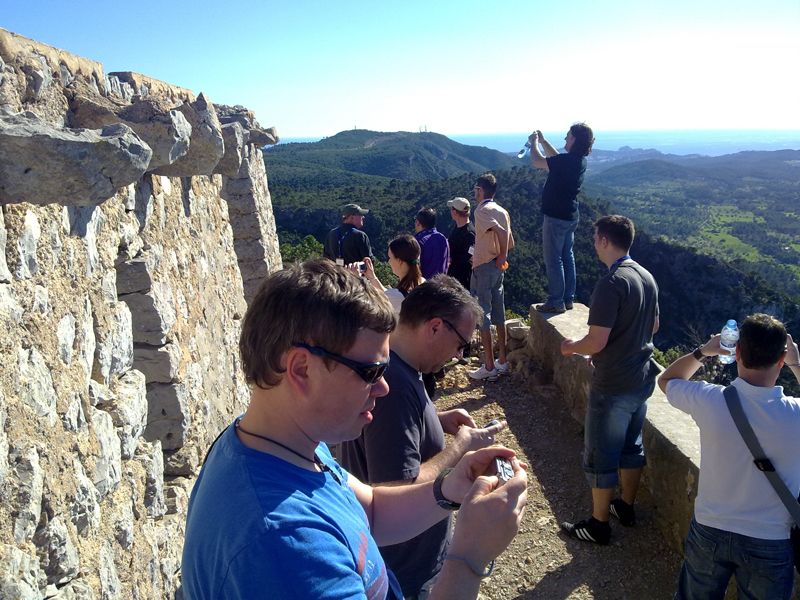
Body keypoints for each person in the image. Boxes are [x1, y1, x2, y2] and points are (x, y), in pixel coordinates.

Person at [181, 259, 528, 600]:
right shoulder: (285, 547)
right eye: (370, 372)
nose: (384, 388)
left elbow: (370, 510)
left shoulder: (285, 444)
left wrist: (450, 488)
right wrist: (469, 558)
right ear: (302, 369)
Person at [338, 276, 506, 598]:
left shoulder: (402, 368)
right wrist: (463, 445)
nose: (459, 355)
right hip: (407, 571)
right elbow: (395, 489)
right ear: (435, 327)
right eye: (461, 344)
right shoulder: (394, 387)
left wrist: (436, 420)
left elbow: (391, 432)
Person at [658, 314, 800, 600]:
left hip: (710, 527)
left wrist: (703, 351)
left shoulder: (710, 400)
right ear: (781, 360)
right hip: (770, 538)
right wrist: (796, 363)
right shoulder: (795, 415)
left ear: (737, 353)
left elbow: (667, 380)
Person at [559, 215, 659, 545]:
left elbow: (596, 341)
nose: (593, 244)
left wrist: (571, 347)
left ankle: (599, 525)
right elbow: (653, 326)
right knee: (631, 445)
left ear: (604, 240)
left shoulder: (612, 283)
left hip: (614, 382)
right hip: (641, 378)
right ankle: (625, 507)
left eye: (594, 238)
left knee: (600, 453)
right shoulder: (646, 276)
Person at [529, 123, 594, 314]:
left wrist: (534, 143)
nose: (565, 138)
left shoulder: (568, 161)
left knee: (553, 259)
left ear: (574, 139)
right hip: (570, 215)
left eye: (568, 135)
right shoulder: (577, 160)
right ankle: (567, 299)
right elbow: (556, 158)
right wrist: (544, 141)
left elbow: (537, 161)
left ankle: (556, 301)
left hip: (556, 217)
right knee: (567, 256)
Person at [468, 173, 514, 382]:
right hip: (497, 267)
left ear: (481, 190)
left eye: (476, 189)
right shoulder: (502, 210)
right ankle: (502, 360)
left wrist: (499, 255)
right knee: (499, 312)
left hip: (485, 266)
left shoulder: (482, 210)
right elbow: (508, 238)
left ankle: (488, 366)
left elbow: (502, 233)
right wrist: (502, 256)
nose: (474, 192)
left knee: (483, 313)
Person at [362, 234, 425, 313]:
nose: (389, 262)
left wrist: (355, 278)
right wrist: (372, 277)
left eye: (390, 257)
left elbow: (366, 307)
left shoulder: (397, 296)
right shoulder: (423, 283)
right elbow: (389, 294)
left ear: (399, 261)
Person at [446, 197, 475, 291]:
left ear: (454, 212)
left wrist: (450, 259)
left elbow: (468, 257)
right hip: (454, 276)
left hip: (462, 280)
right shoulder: (458, 227)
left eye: (451, 209)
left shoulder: (470, 233)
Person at [414, 207, 450, 279]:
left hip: (424, 284)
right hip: (442, 283)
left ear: (418, 223)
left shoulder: (417, 241)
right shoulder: (443, 239)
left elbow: (413, 269)